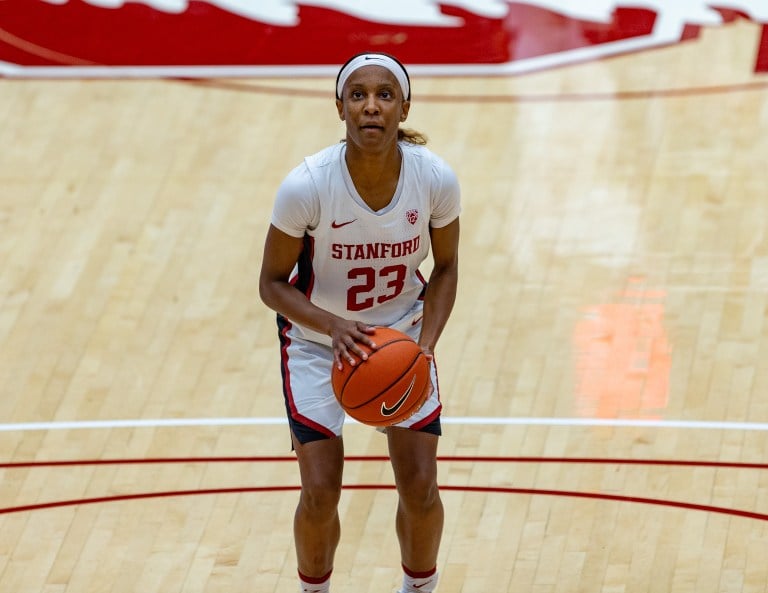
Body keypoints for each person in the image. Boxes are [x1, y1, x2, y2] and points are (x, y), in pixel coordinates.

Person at [259, 52, 461, 593]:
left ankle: (419, 588)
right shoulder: (306, 186)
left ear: (404, 107)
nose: (371, 105)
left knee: (419, 485)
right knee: (321, 491)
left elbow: (446, 268)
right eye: (358, 95)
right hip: (317, 344)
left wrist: (425, 345)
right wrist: (333, 327)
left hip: (402, 338)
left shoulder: (435, 179)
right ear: (340, 107)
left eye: (385, 95)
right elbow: (271, 285)